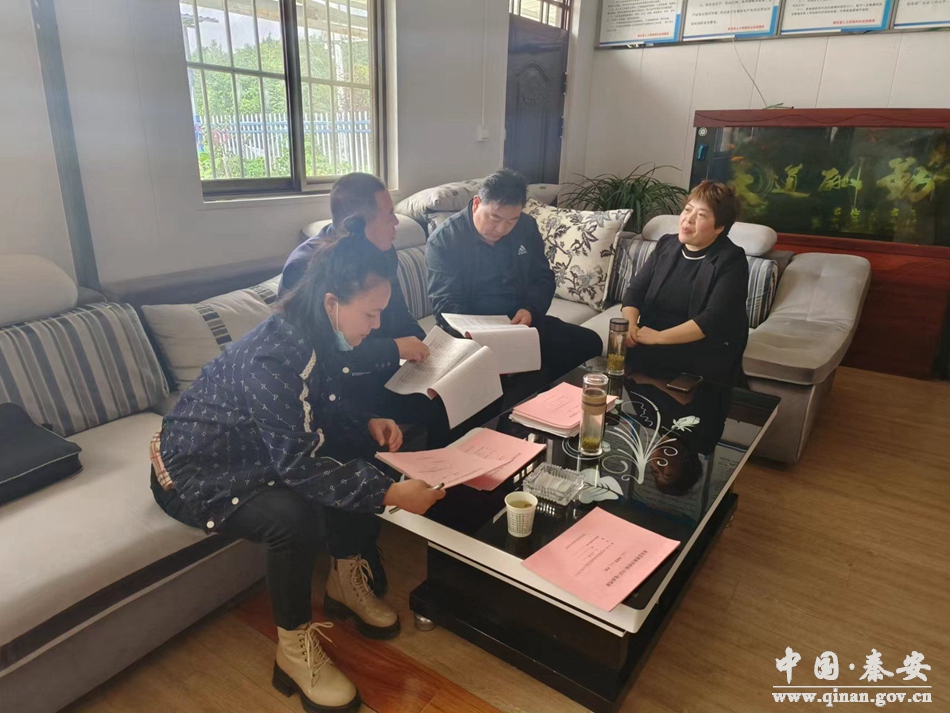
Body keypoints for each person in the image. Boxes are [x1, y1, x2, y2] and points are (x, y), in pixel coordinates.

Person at [151, 237, 445, 713]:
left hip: (254, 449)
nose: (376, 326)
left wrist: (366, 421)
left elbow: (321, 404)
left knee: (356, 449)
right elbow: (300, 467)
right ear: (332, 303)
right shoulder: (274, 358)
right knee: (296, 517)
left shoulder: (314, 333)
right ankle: (292, 651)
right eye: (370, 314)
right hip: (196, 469)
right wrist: (391, 493)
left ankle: (344, 581)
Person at [283, 172, 451, 455]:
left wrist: (430, 349)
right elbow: (318, 354)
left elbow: (398, 314)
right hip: (339, 389)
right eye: (388, 216)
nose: (396, 222)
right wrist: (394, 348)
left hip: (384, 375)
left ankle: (445, 474)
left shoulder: (382, 253)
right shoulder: (307, 268)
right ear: (356, 224)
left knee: (448, 398)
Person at [426, 169, 603, 381]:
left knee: (591, 343)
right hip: (470, 334)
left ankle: (538, 381)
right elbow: (446, 305)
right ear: (476, 204)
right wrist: (483, 337)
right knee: (498, 378)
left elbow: (543, 277)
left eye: (511, 220)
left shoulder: (526, 227)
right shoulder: (445, 240)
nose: (501, 229)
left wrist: (530, 309)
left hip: (519, 323)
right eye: (494, 218)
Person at [621, 180, 749, 385]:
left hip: (696, 355)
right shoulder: (666, 244)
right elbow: (635, 291)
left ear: (719, 227)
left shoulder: (731, 259)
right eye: (688, 210)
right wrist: (630, 326)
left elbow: (712, 320)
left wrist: (659, 337)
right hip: (648, 347)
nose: (688, 219)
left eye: (701, 215)